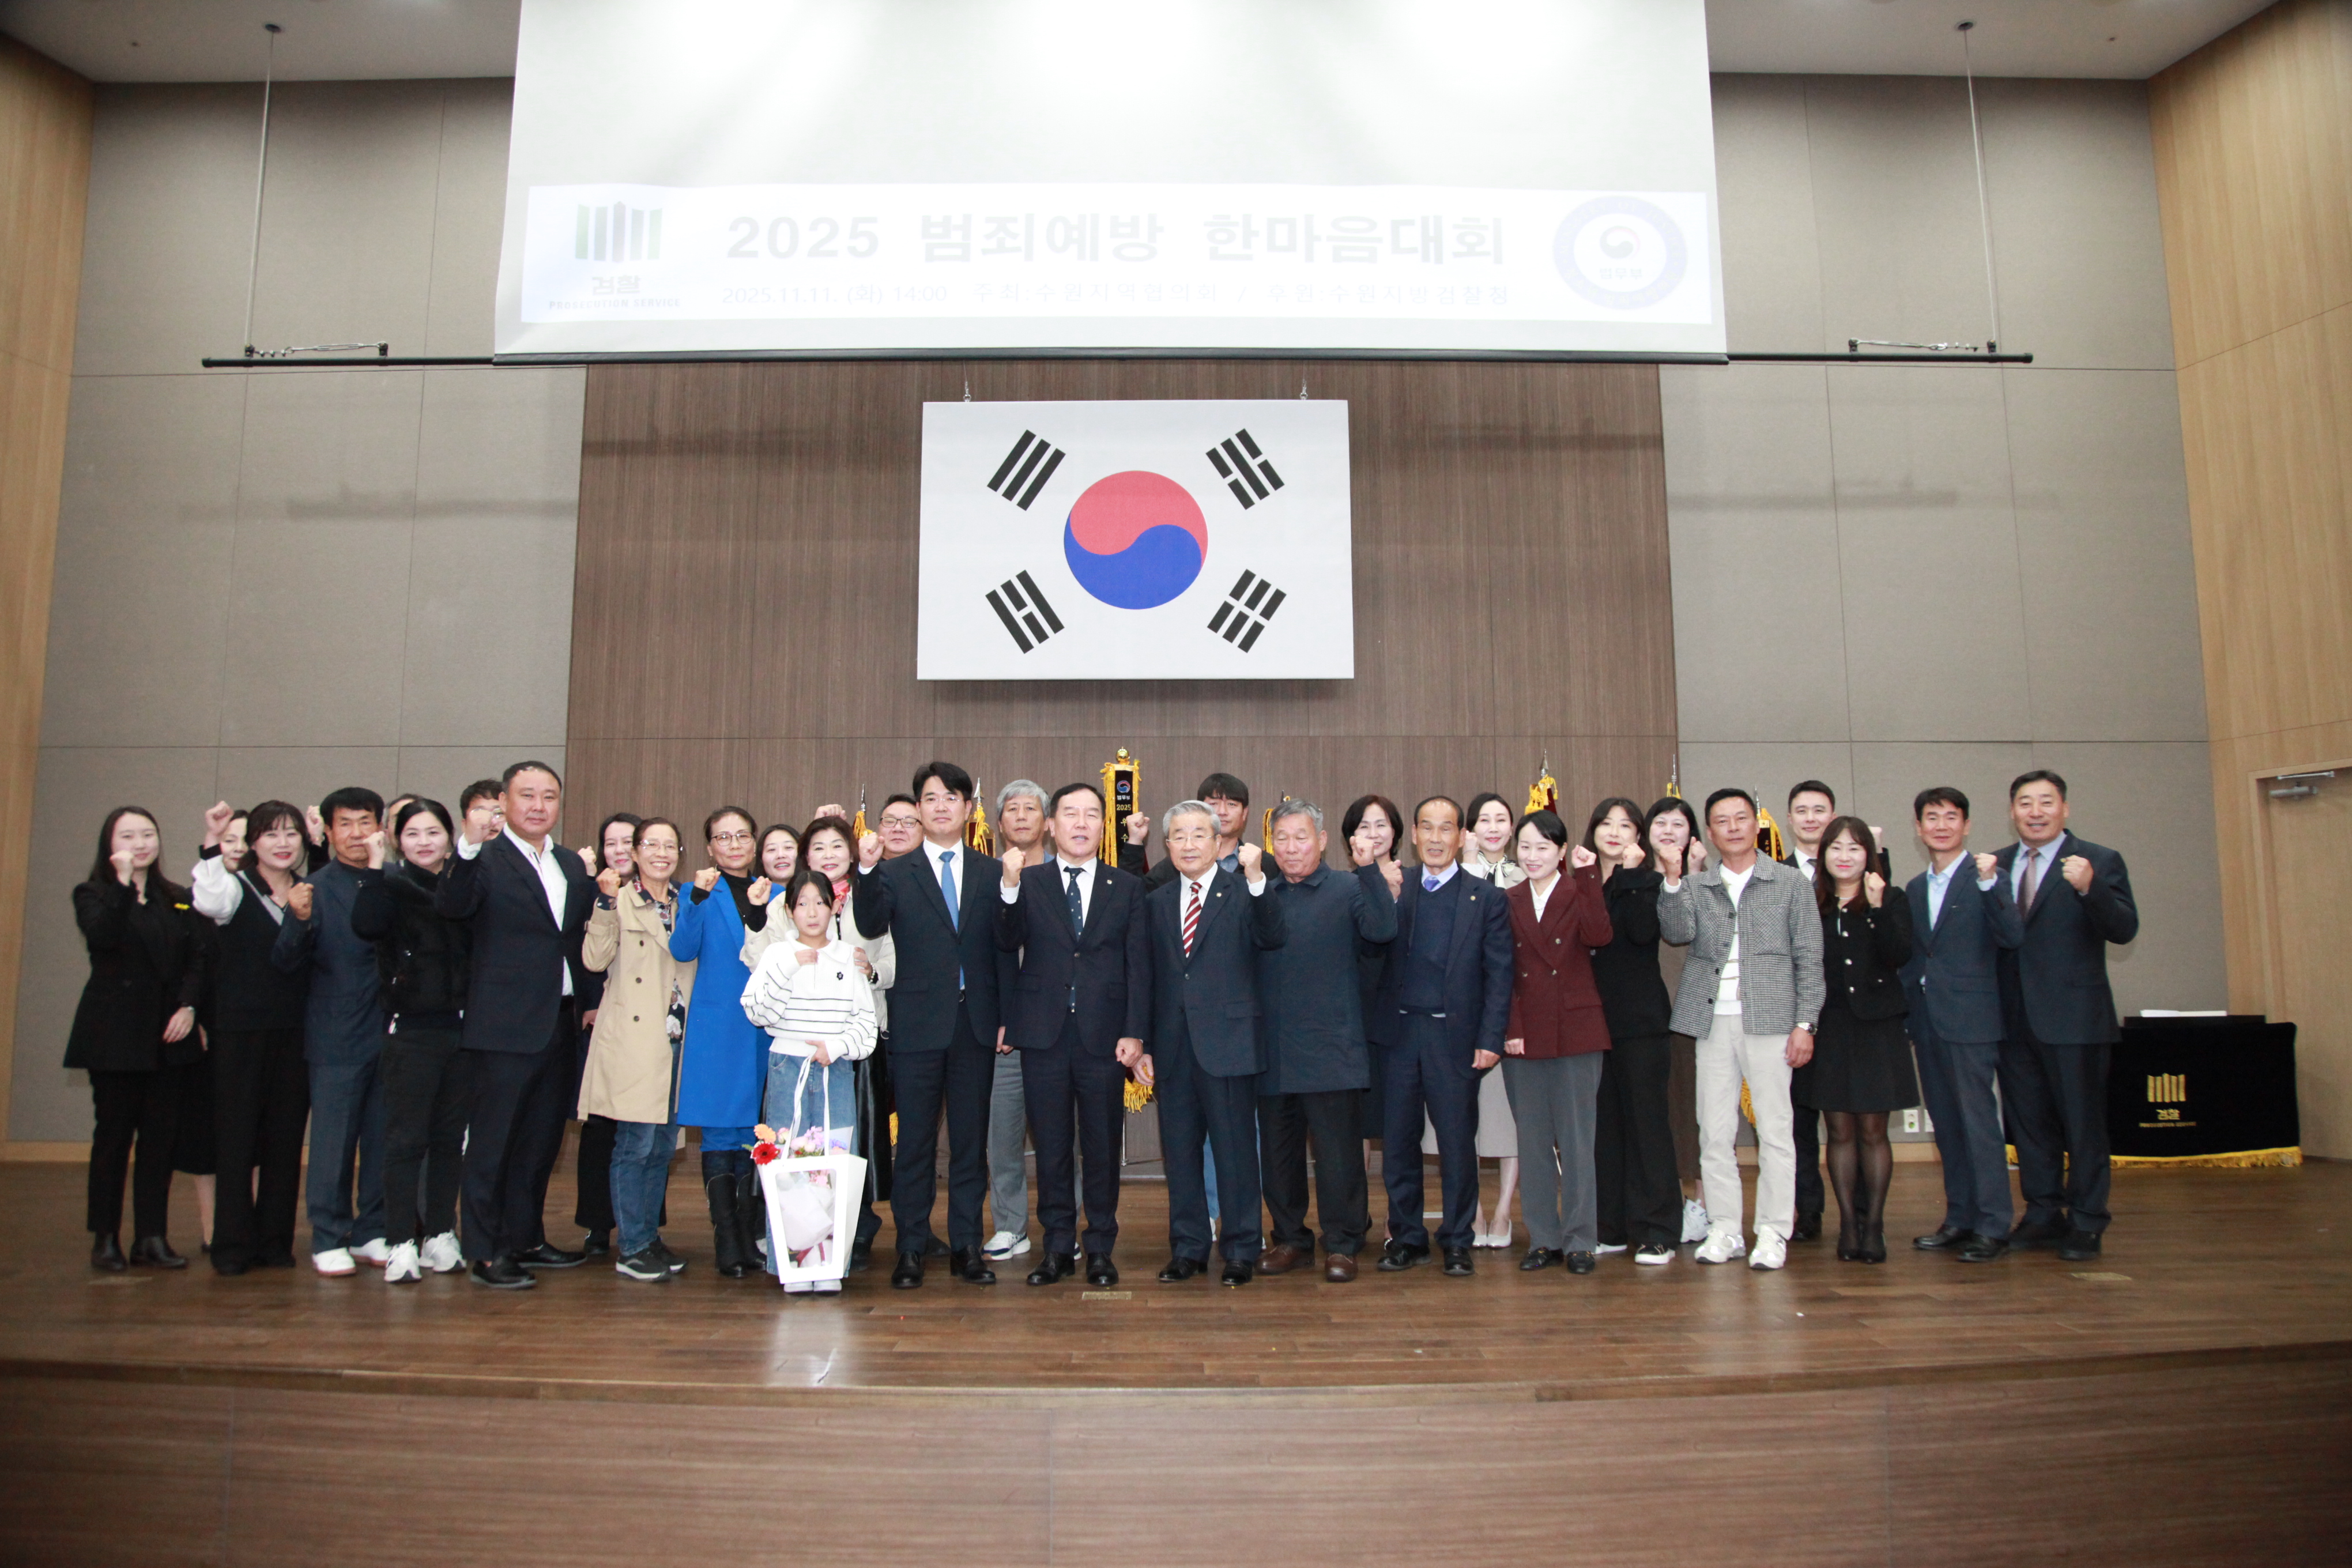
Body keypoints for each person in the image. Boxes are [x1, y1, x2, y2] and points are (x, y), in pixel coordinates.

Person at [438, 761, 597, 1290]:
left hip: (560, 1022)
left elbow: (576, 940)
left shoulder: (570, 864)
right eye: (526, 795)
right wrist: (466, 846)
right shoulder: (482, 858)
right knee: (493, 1144)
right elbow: (452, 906)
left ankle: (526, 1238)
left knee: (539, 1143)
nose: (538, 806)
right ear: (503, 803)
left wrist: (589, 1002)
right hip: (503, 1027)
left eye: (549, 796)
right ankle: (485, 1251)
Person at [851, 762, 1007, 1288]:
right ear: (919, 809)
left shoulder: (991, 872)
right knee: (915, 1144)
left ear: (968, 808)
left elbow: (1004, 951)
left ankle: (967, 1246)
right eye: (931, 798)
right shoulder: (895, 872)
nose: (941, 807)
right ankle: (911, 1248)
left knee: (969, 1144)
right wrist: (866, 870)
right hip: (917, 1025)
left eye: (951, 798)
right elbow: (870, 923)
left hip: (976, 1026)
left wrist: (1006, 1017)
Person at [1657, 788, 1823, 1271]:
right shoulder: (1697, 886)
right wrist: (1673, 878)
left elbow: (1810, 959)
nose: (1732, 827)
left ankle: (1772, 1231)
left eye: (1741, 818)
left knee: (1775, 1131)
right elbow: (1676, 931)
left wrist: (1805, 1023)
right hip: (1711, 1021)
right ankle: (1725, 1228)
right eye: (1722, 821)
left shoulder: (1789, 883)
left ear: (1757, 825)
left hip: (1772, 1021)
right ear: (1709, 833)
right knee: (1714, 1131)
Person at [995, 781, 1150, 1287]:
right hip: (1044, 1034)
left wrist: (1136, 1032)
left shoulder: (1126, 886)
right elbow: (1006, 941)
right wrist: (1009, 889)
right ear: (1051, 825)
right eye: (1070, 813)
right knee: (1053, 1147)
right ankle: (1057, 1247)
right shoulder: (1029, 881)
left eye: (1091, 815)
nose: (1081, 823)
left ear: (1103, 826)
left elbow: (1139, 966)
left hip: (1105, 1038)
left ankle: (1101, 1247)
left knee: (1102, 1148)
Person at [1993, 771, 2138, 1261]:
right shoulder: (1997, 864)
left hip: (2075, 1020)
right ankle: (2042, 1213)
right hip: (2013, 1020)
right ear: (2012, 811)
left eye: (2046, 802)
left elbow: (2124, 929)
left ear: (2065, 809)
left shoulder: (2098, 860)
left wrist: (2091, 889)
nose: (2035, 812)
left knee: (2083, 1126)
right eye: (2025, 803)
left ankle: (2087, 1219)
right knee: (2029, 1126)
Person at [1143, 801, 1283, 1286]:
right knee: (1180, 1154)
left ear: (1218, 841)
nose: (1188, 845)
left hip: (1229, 1043)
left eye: (1198, 835)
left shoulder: (1244, 891)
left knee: (1236, 1151)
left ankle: (1241, 1247)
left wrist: (1259, 879)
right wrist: (1144, 1043)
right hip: (1172, 1046)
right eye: (1179, 836)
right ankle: (1188, 1248)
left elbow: (1273, 936)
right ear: (1167, 845)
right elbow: (1147, 978)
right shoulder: (1156, 902)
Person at [747, 814, 893, 1268]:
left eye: (837, 846)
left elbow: (884, 971)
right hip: (790, 1057)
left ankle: (839, 1249)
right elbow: (759, 989)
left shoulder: (869, 897)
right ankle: (790, 1254)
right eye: (818, 848)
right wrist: (787, 959)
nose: (812, 912)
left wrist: (868, 974)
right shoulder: (780, 920)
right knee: (788, 1149)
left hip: (846, 1052)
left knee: (844, 1146)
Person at [1258, 798, 1394, 1283]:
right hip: (1273, 1049)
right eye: (1281, 839)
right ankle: (1290, 1240)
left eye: (1301, 837)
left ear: (1320, 841)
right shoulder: (1261, 892)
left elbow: (1383, 929)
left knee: (1338, 1157)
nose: (1291, 848)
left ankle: (1342, 1243)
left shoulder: (1349, 887)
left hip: (1332, 1046)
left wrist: (1370, 869)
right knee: (1279, 1156)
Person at [1375, 796, 1512, 1277]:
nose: (1436, 838)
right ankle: (1406, 1237)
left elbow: (1500, 975)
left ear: (1461, 836)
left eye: (1446, 828)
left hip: (1453, 1037)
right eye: (1427, 828)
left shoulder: (1486, 898)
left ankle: (1457, 1239)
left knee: (1457, 1143)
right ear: (1413, 835)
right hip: (1398, 1035)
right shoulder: (1396, 886)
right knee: (1398, 1143)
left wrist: (1491, 1038)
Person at [69, 807, 206, 1270]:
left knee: (159, 1142)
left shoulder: (178, 897)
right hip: (116, 1037)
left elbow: (198, 958)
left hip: (169, 1034)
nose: (141, 843)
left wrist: (189, 1006)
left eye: (148, 834)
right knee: (112, 1139)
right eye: (128, 836)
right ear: (110, 844)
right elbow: (103, 936)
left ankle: (151, 1236)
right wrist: (124, 884)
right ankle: (105, 1237)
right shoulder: (94, 893)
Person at [350, 799, 473, 1282]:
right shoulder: (390, 883)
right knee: (405, 1140)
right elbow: (366, 924)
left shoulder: (463, 884)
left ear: (450, 836)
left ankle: (440, 1233)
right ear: (397, 840)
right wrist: (375, 866)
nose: (424, 842)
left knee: (449, 1139)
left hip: (461, 1030)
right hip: (411, 1031)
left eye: (433, 832)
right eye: (413, 834)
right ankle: (400, 1240)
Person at [274, 786, 392, 1277]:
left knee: (384, 1138)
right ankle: (328, 1234)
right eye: (345, 823)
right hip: (336, 1034)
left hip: (393, 1032)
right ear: (326, 831)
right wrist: (297, 920)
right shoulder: (314, 889)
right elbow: (285, 963)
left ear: (381, 828)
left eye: (365, 822)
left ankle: (372, 1230)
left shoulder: (395, 881)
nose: (356, 833)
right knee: (333, 1143)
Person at [1901, 786, 2023, 1262]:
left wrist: (1992, 886)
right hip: (1927, 1020)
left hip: (1972, 1021)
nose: (1942, 826)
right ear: (1919, 828)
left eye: (1951, 817)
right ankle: (1960, 1218)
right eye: (1932, 818)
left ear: (1967, 825)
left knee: (1979, 1125)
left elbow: (2011, 935)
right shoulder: (1915, 888)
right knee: (1947, 1126)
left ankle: (1993, 1225)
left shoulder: (1988, 877)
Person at [193, 800, 313, 1276]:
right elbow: (207, 901)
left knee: (285, 1139)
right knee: (237, 1139)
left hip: (296, 1032)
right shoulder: (234, 887)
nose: (283, 844)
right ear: (253, 843)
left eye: (291, 834)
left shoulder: (309, 890)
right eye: (270, 834)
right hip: (240, 1033)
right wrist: (211, 842)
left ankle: (275, 1243)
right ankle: (232, 1245)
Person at [1791, 818, 1916, 1264]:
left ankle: (1874, 1225)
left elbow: (1899, 954)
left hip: (1877, 1029)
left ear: (1870, 855)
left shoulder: (1891, 898)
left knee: (1873, 1131)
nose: (1844, 857)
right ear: (1823, 855)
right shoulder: (1810, 901)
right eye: (1836, 848)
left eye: (1855, 848)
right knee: (1839, 1132)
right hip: (1830, 1028)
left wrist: (1878, 908)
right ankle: (1847, 1224)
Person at [577, 816, 694, 1283]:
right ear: (636, 852)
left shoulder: (688, 902)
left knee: (662, 1147)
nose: (661, 853)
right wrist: (605, 904)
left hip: (677, 1038)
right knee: (635, 1145)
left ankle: (648, 1237)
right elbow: (594, 960)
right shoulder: (619, 899)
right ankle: (631, 1246)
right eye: (652, 845)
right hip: (634, 1038)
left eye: (670, 846)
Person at [1498, 809, 1614, 1273]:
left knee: (1578, 1141)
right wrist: (1511, 1028)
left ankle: (1581, 1239)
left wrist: (1589, 877)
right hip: (1524, 1034)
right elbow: (1500, 971)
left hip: (1577, 1032)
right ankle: (1543, 1238)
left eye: (1543, 848)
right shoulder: (1507, 899)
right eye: (1525, 847)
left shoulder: (1579, 888)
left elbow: (1599, 934)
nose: (1532, 856)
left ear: (1562, 851)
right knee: (1533, 1142)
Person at [669, 806, 772, 1279]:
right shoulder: (697, 893)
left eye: (742, 836)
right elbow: (682, 949)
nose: (733, 844)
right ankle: (726, 1239)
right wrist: (694, 900)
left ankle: (750, 1238)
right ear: (710, 847)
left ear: (755, 843)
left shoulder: (777, 893)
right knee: (719, 1133)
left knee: (754, 1133)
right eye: (722, 837)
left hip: (765, 1028)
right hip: (717, 1027)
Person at [1588, 798, 1680, 1265]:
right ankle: (1611, 1226)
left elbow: (1644, 933)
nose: (1614, 831)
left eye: (1625, 825)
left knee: (1647, 1127)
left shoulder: (1646, 882)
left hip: (1641, 1024)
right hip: (1592, 1025)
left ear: (1638, 837)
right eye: (1606, 823)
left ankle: (1657, 1229)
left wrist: (1629, 874)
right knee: (1604, 1129)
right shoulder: (1582, 882)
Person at [569, 811, 643, 1258]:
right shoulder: (588, 892)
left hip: (646, 1025)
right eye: (611, 843)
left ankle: (642, 1225)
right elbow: (579, 954)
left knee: (644, 1130)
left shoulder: (658, 893)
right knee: (600, 1128)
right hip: (601, 1022)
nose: (619, 850)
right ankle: (598, 1225)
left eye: (628, 842)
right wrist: (590, 1003)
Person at [982, 779, 1050, 1261]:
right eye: (1012, 809)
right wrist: (1004, 1016)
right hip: (1004, 1033)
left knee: (1062, 1141)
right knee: (1002, 1139)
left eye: (1031, 809)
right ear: (999, 823)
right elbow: (985, 958)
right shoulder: (984, 878)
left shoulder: (1067, 877)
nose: (1022, 816)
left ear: (1047, 822)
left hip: (1058, 1032)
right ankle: (1010, 1227)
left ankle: (1064, 1229)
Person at [1454, 790, 1525, 1248]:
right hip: (1463, 1013)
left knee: (1508, 1118)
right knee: (1464, 1120)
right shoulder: (1454, 877)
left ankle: (1503, 1214)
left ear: (1513, 828)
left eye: (1502, 819)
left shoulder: (1528, 873)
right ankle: (1475, 1211)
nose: (1493, 828)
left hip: (1512, 1009)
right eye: (1484, 819)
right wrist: (1467, 864)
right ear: (1470, 829)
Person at [1644, 795, 1711, 1245]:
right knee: (1662, 1115)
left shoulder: (1706, 881)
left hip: (1694, 1011)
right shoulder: (1637, 880)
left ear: (1693, 834)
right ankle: (1667, 1201)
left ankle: (1704, 1203)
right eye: (1661, 823)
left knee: (1698, 1113)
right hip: (1648, 1014)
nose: (1669, 831)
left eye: (1678, 824)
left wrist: (1698, 875)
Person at [179, 809, 242, 1251]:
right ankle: (210, 1230)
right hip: (206, 1030)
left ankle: (243, 1224)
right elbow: (185, 967)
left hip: (252, 1029)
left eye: (244, 840)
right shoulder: (192, 901)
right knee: (205, 1132)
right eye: (228, 840)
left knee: (252, 1133)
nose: (236, 848)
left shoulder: (266, 896)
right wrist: (193, 1013)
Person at [1781, 781, 1838, 1243]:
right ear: (1789, 819)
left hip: (1845, 1015)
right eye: (1802, 811)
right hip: (1792, 1015)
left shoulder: (1855, 869)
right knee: (1796, 1122)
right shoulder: (1774, 875)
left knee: (1846, 1121)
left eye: (1820, 810)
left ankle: (1859, 1216)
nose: (1811, 818)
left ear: (1832, 816)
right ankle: (1807, 1211)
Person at [1338, 793, 1406, 1157]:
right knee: (1358, 1119)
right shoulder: (1343, 887)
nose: (1374, 833)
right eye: (1364, 827)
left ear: (1396, 833)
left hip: (1403, 1015)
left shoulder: (1416, 881)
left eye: (1382, 825)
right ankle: (1358, 1196)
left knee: (1401, 1115)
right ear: (1351, 837)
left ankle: (1401, 1198)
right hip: (1359, 1015)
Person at [875, 794, 922, 860]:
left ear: (925, 832)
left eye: (909, 823)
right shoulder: (865, 865)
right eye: (890, 821)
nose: (898, 828)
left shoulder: (933, 865)